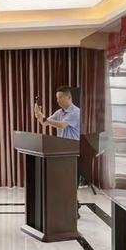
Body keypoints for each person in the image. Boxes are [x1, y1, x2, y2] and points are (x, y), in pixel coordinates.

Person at [34, 85, 81, 218]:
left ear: (69, 97)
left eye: (61, 97)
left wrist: (44, 118)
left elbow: (62, 125)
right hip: (61, 150)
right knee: (63, 181)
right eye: (57, 98)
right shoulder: (59, 113)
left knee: (70, 182)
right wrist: (38, 115)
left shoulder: (76, 112)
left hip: (73, 151)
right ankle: (73, 205)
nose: (58, 100)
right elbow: (45, 123)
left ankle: (73, 210)